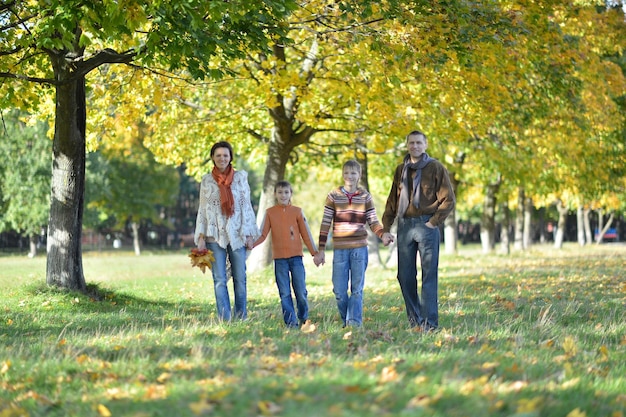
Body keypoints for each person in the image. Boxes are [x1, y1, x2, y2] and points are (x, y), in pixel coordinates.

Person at [382, 130, 456, 332]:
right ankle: (415, 320)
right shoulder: (401, 169)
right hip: (405, 225)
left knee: (428, 275)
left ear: (425, 145)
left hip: (426, 224)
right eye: (411, 143)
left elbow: (448, 199)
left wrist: (433, 222)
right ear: (407, 145)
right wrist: (386, 228)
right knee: (404, 276)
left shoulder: (435, 167)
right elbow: (392, 200)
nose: (415, 146)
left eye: (418, 143)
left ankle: (429, 324)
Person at [314, 160, 394, 327]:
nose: (349, 176)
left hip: (359, 248)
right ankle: (347, 320)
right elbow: (325, 223)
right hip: (340, 250)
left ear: (359, 175)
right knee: (339, 292)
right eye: (346, 173)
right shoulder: (333, 196)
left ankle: (353, 324)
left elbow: (373, 221)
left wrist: (382, 234)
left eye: (353, 173)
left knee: (357, 290)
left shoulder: (365, 197)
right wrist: (321, 249)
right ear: (343, 175)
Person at [194, 141, 259, 321]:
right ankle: (225, 318)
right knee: (220, 279)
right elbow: (203, 209)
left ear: (230, 157)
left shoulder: (240, 178)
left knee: (240, 278)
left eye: (225, 155)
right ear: (213, 158)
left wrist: (248, 234)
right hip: (214, 236)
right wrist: (200, 237)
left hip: (237, 234)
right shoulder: (207, 181)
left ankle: (241, 316)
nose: (222, 158)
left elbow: (246, 207)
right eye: (218, 155)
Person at [252, 180, 319, 329]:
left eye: (286, 192)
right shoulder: (270, 213)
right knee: (284, 293)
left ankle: (303, 317)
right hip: (280, 260)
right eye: (280, 192)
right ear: (275, 194)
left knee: (301, 292)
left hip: (296, 258)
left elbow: (306, 234)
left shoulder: (297, 211)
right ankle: (291, 323)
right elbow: (262, 234)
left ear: (291, 194)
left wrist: (314, 252)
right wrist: (251, 244)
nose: (283, 195)